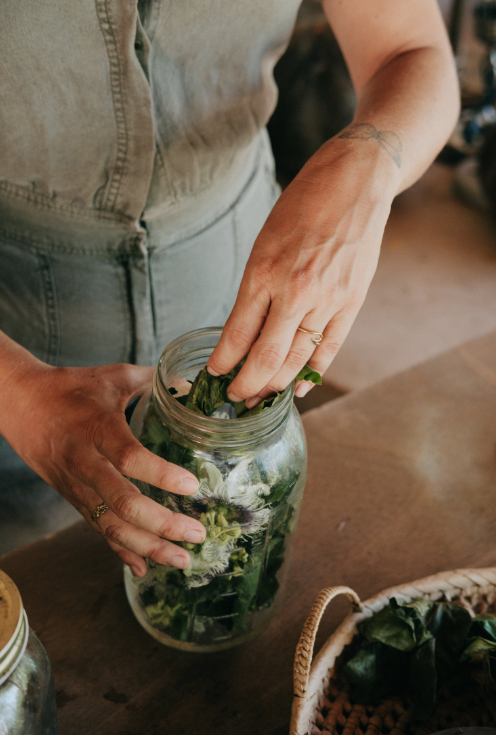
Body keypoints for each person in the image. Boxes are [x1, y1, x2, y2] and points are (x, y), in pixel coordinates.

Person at [0, 0, 459, 575]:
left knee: (220, 560)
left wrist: (369, 161)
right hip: (13, 326)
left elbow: (410, 50)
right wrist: (14, 393)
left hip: (238, 265)